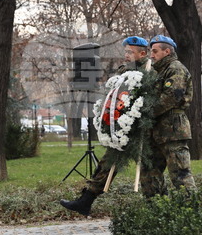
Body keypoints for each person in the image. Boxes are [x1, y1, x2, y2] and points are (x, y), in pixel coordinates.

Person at [61, 36, 151, 215]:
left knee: (150, 168)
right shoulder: (124, 71)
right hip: (123, 128)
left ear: (142, 53)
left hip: (144, 129)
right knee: (107, 163)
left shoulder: (149, 71)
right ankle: (85, 201)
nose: (126, 55)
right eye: (125, 52)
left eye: (130, 52)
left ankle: (158, 205)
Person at [142, 35, 196, 195]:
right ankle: (158, 209)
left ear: (167, 51)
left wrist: (145, 112)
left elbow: (171, 97)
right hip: (157, 132)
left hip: (173, 131)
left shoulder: (175, 69)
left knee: (180, 174)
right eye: (151, 51)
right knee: (149, 174)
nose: (151, 55)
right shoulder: (157, 72)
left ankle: (192, 212)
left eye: (155, 51)